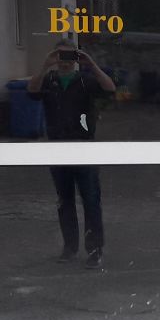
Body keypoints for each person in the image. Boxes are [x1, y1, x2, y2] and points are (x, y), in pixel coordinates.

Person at [27, 40, 116, 268]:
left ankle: (95, 250)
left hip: (84, 148)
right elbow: (32, 91)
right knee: (64, 201)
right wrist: (45, 65)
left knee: (91, 200)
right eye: (61, 56)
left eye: (70, 57)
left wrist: (91, 64)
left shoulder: (85, 80)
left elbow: (110, 89)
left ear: (76, 59)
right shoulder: (49, 80)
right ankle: (69, 248)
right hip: (57, 149)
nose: (65, 62)